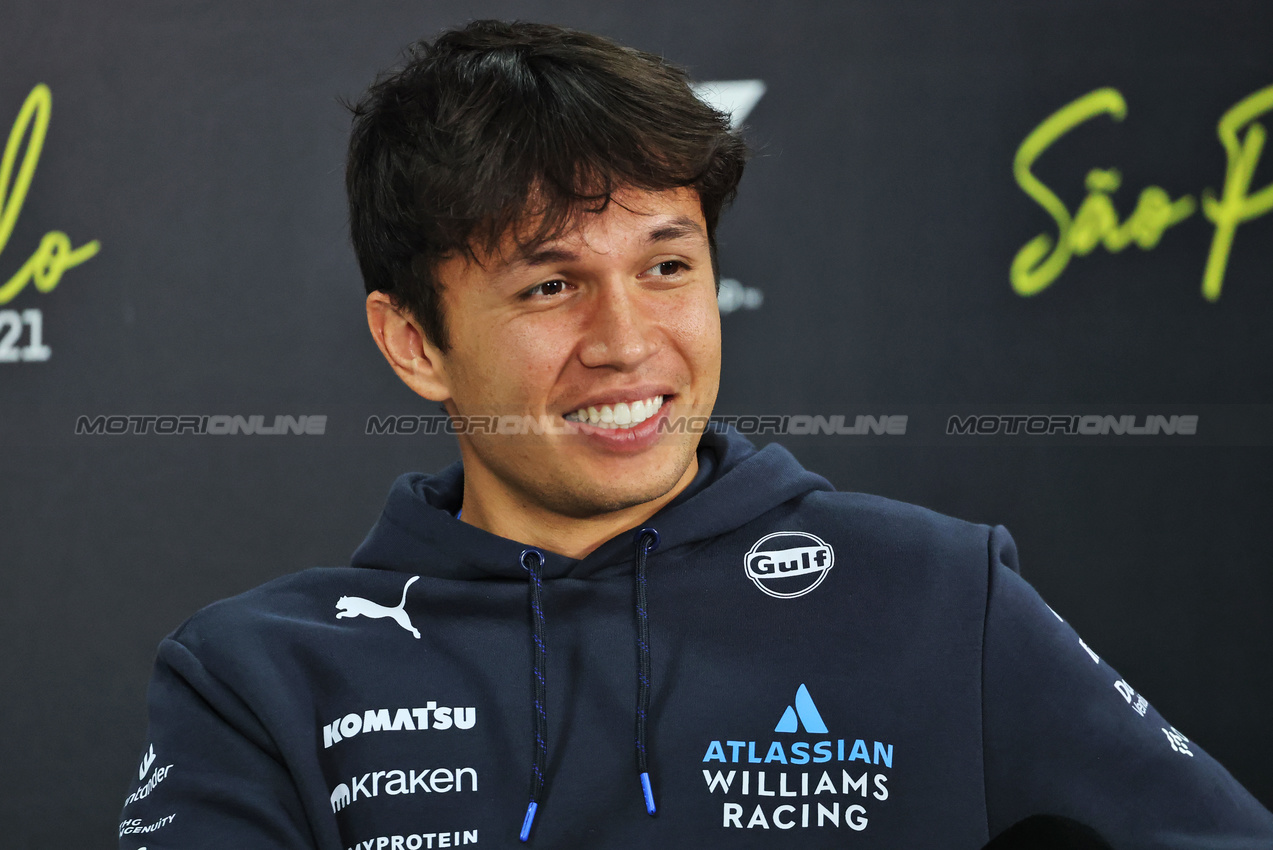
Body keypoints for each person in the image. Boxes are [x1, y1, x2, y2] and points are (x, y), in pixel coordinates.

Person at [117, 19, 1273, 850]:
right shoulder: (255, 676)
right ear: (413, 340)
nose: (628, 341)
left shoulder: (935, 592)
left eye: (667, 267)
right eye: (548, 286)